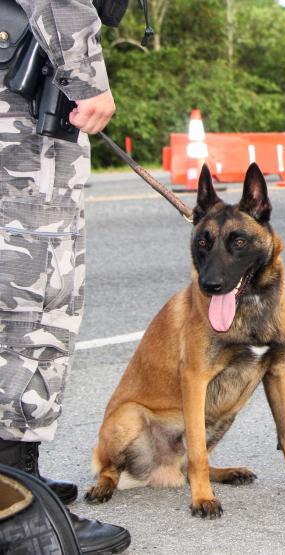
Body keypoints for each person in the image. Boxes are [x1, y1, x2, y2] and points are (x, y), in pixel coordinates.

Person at [0, 0, 129, 552]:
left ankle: (17, 477)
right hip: (20, 105)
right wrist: (86, 74)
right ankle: (15, 513)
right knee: (33, 297)